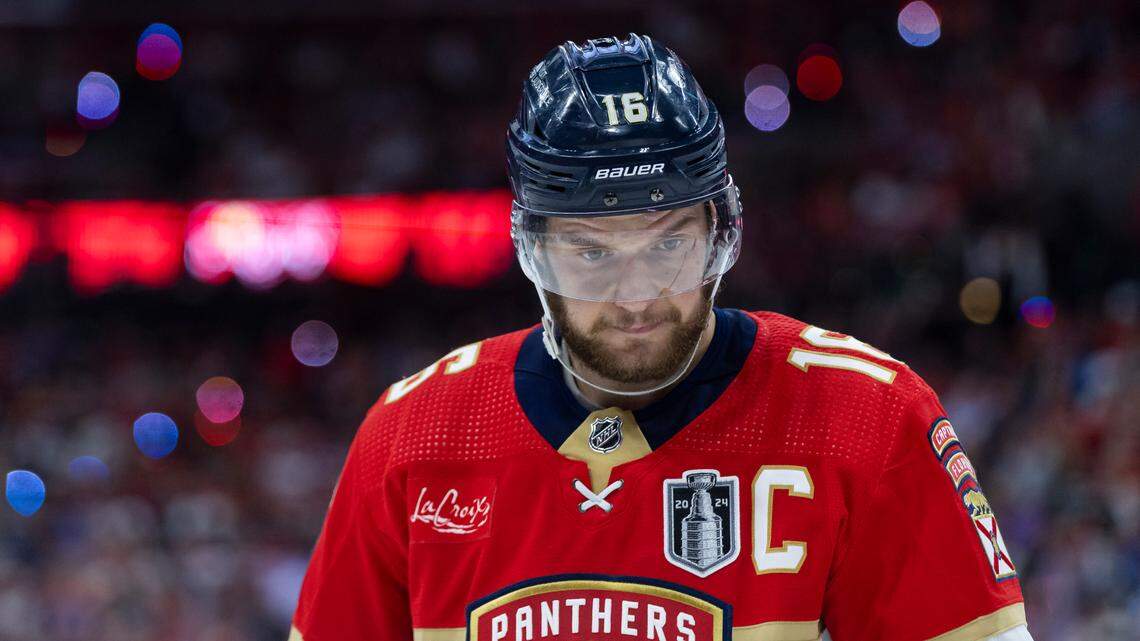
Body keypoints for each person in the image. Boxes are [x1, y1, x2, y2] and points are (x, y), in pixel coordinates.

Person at [289, 34, 1032, 641]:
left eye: (667, 243)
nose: (637, 294)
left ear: (720, 233)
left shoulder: (868, 416)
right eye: (592, 253)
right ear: (531, 249)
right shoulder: (410, 437)